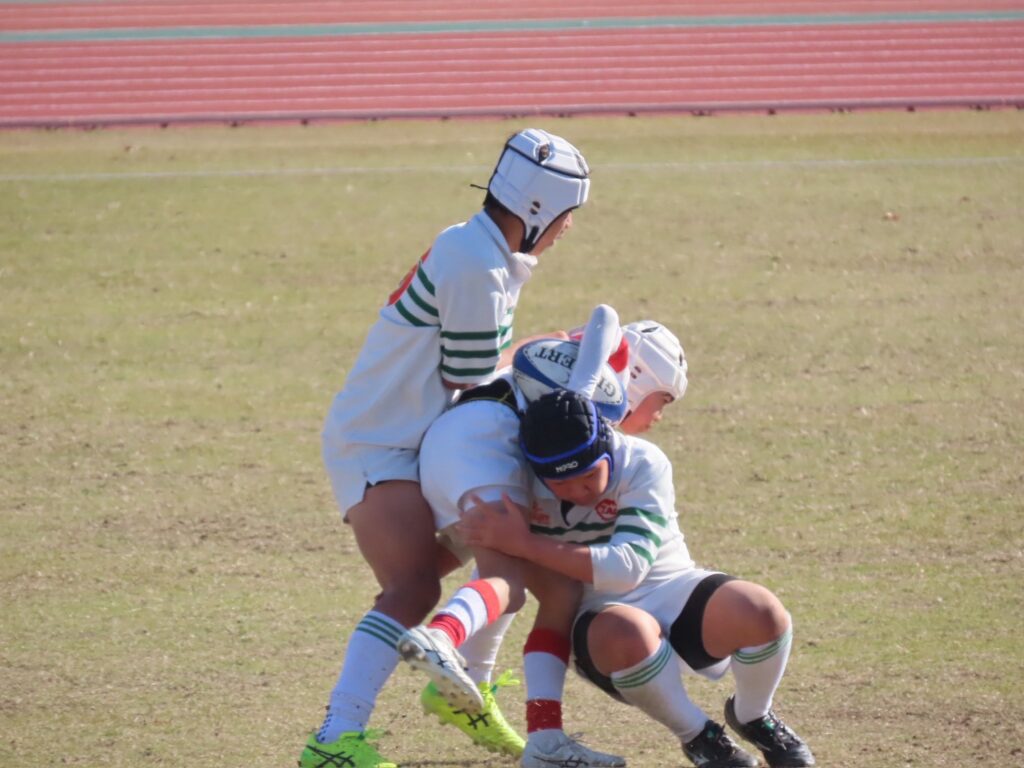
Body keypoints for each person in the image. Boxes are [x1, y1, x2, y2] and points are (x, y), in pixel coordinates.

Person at [299, 128, 591, 768]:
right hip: (379, 442)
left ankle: (466, 694)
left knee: (497, 541)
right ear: (539, 209)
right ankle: (334, 741)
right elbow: (472, 378)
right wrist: (547, 355)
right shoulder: (477, 265)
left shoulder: (482, 250)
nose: (569, 227)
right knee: (413, 589)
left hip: (415, 436)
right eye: (568, 213)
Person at [459, 389, 817, 768]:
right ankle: (699, 736)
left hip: (671, 586)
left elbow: (626, 569)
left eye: (589, 475)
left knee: (762, 610)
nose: (578, 491)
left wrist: (526, 544)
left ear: (606, 447)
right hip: (599, 624)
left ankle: (753, 715)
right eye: (559, 483)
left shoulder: (642, 461)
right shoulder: (514, 483)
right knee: (628, 631)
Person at [398, 307, 690, 767]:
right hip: (478, 445)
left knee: (544, 585)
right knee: (513, 582)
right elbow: (604, 318)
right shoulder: (584, 403)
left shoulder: (565, 383)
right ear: (638, 376)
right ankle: (444, 637)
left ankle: (523, 722)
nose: (657, 415)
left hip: (449, 442)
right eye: (663, 399)